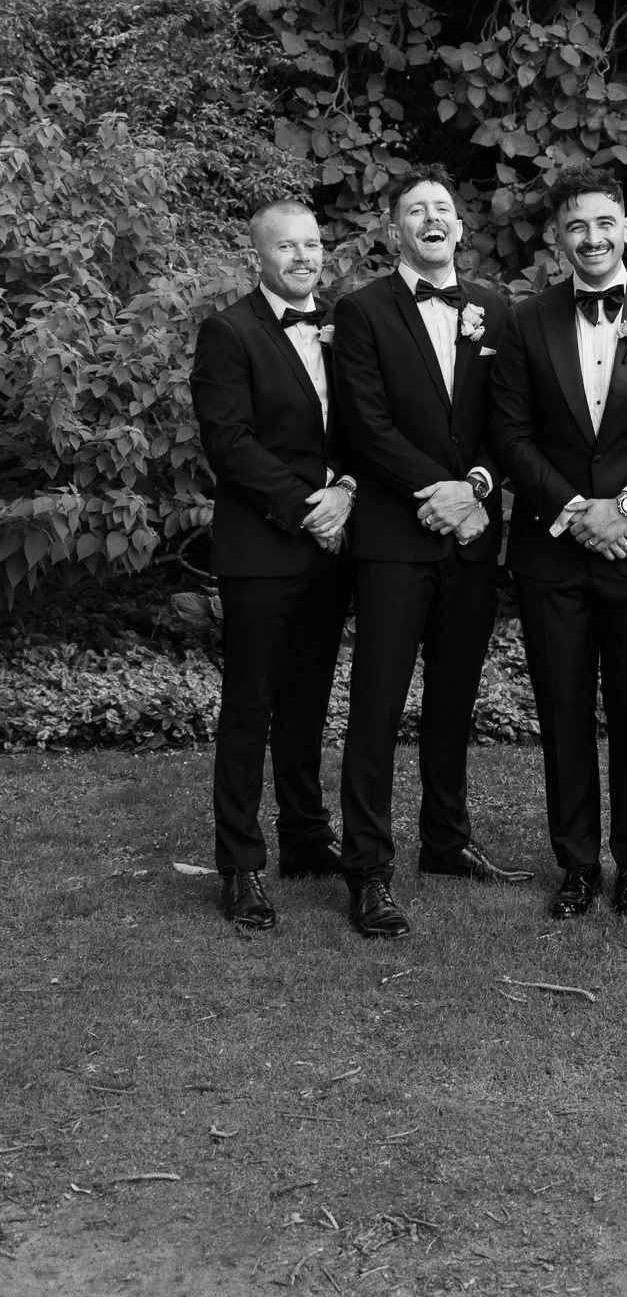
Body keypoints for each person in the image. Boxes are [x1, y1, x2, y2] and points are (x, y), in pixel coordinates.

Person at [489, 165, 627, 921]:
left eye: (604, 222)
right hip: (553, 549)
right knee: (561, 710)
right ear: (558, 237)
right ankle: (577, 865)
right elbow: (511, 436)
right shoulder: (525, 320)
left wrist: (625, 506)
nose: (591, 237)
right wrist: (575, 511)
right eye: (575, 226)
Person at [330, 166, 527, 940]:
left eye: (443, 207)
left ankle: (445, 842)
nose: (432, 219)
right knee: (377, 706)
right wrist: (445, 493)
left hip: (474, 538)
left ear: (460, 225)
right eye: (416, 210)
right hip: (392, 539)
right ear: (394, 230)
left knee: (452, 699)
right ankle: (369, 869)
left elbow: (508, 421)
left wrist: (476, 484)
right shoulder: (362, 311)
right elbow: (365, 425)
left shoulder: (495, 310)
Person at [191, 198, 354, 933]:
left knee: (309, 698)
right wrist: (305, 508)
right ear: (258, 256)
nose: (302, 258)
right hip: (264, 544)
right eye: (285, 248)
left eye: (311, 245)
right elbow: (230, 443)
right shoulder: (229, 332)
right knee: (250, 705)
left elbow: (373, 423)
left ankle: (305, 838)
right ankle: (240, 865)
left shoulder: (348, 325)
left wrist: (345, 492)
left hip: (337, 538)